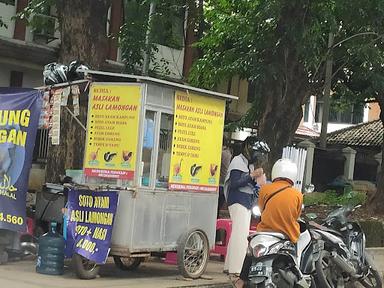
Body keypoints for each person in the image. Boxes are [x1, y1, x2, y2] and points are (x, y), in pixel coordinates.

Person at [233, 158, 303, 288]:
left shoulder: (265, 189)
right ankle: (298, 275)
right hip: (285, 233)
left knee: (251, 252)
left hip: (264, 231)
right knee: (295, 252)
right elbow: (296, 215)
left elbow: (261, 208)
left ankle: (241, 280)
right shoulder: (297, 194)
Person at [223, 136, 270, 279]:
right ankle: (236, 269)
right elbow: (235, 183)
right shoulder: (237, 161)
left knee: (237, 234)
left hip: (245, 201)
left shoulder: (246, 164)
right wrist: (252, 175)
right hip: (238, 201)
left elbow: (252, 185)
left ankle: (228, 266)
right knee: (241, 236)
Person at [217, 135, 232, 218]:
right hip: (224, 185)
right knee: (217, 209)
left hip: (219, 184)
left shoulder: (221, 153)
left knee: (215, 209)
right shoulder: (228, 152)